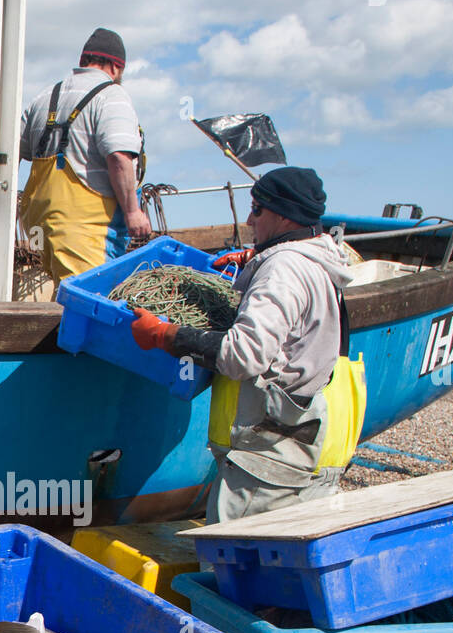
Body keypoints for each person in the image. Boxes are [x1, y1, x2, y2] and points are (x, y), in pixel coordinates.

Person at [130, 165, 367, 523]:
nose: (250, 219)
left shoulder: (283, 270)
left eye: (257, 208)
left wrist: (166, 335)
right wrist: (254, 260)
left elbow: (243, 355)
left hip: (263, 464)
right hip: (295, 447)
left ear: (284, 216)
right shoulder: (319, 260)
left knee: (230, 564)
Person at [18, 28, 151, 284]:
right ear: (115, 67)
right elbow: (119, 157)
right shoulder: (111, 95)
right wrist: (133, 213)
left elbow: (15, 152)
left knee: (67, 294)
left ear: (83, 61)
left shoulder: (44, 97)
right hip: (85, 227)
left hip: (41, 223)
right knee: (89, 300)